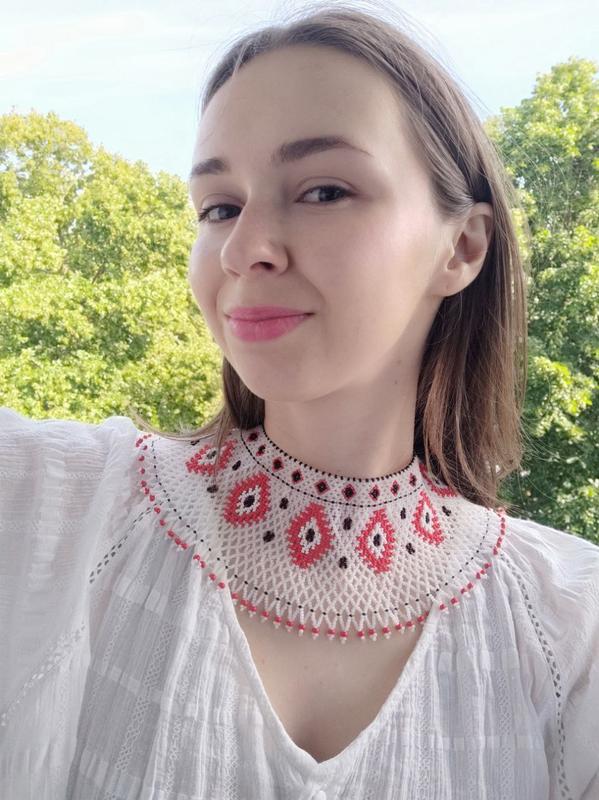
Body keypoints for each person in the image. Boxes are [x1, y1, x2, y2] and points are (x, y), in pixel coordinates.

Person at [1, 3, 598, 799]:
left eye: (322, 191)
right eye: (219, 207)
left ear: (461, 246)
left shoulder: (569, 627)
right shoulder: (50, 508)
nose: (244, 247)